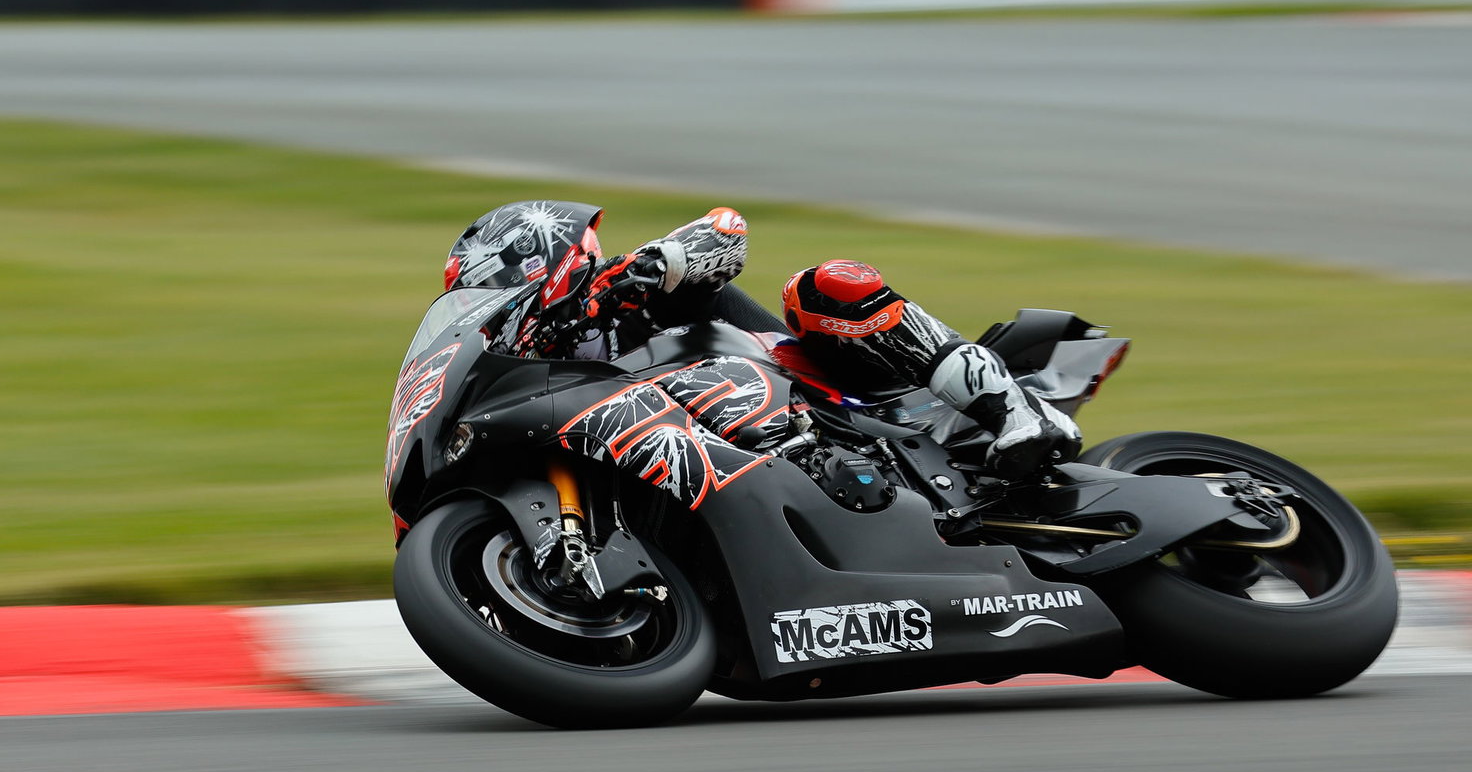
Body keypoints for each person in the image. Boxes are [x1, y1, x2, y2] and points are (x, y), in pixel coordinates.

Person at [448, 200, 1079, 479]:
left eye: (494, 281)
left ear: (538, 258)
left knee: (823, 285)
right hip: (724, 450)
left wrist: (661, 262)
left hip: (814, 391)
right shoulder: (535, 367)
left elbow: (726, 229)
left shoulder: (623, 282)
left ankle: (1019, 413)